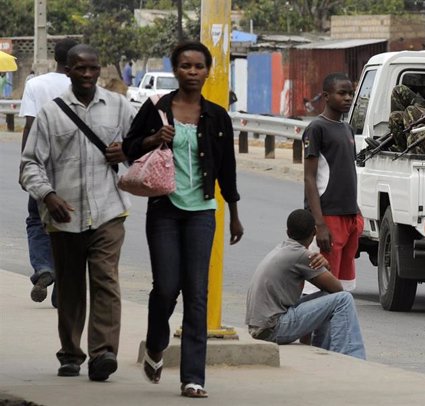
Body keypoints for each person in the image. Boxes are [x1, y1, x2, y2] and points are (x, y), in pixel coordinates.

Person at [122, 41, 244, 398]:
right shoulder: (156, 107)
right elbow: (128, 148)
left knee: (196, 292)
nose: (192, 72)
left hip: (203, 212)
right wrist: (153, 138)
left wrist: (234, 214)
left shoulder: (218, 116)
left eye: (198, 66)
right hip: (164, 209)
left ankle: (193, 377)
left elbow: (227, 170)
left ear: (208, 71)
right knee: (165, 288)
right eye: (185, 66)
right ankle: (157, 345)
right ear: (175, 70)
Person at [20, 44, 133, 381]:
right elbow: (29, 165)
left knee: (106, 281)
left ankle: (103, 354)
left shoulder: (119, 107)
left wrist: (126, 152)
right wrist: (48, 195)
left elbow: (140, 151)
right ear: (67, 70)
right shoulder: (50, 114)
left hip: (109, 212)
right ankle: (70, 353)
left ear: (100, 70)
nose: (87, 74)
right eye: (80, 69)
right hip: (64, 216)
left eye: (92, 68)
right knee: (70, 288)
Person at [246, 209, 366, 360]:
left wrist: (325, 267)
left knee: (327, 297)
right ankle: (351, 356)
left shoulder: (283, 248)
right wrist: (327, 265)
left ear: (288, 232)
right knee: (344, 299)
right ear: (314, 232)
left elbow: (329, 291)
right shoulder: (302, 255)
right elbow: (337, 288)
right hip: (273, 328)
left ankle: (324, 350)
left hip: (260, 326)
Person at [18, 38, 77, 307]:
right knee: (70, 226)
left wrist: (25, 165)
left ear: (55, 56)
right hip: (76, 167)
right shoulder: (86, 86)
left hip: (42, 164)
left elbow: (29, 128)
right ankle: (63, 287)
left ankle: (44, 267)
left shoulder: (35, 84)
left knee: (36, 219)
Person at [303, 72, 362, 291]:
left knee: (344, 287)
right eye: (341, 93)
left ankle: (337, 325)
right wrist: (319, 224)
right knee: (321, 285)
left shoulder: (347, 129)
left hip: (350, 217)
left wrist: (357, 215)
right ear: (326, 96)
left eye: (350, 93)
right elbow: (309, 178)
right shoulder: (316, 128)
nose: (347, 98)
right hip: (328, 216)